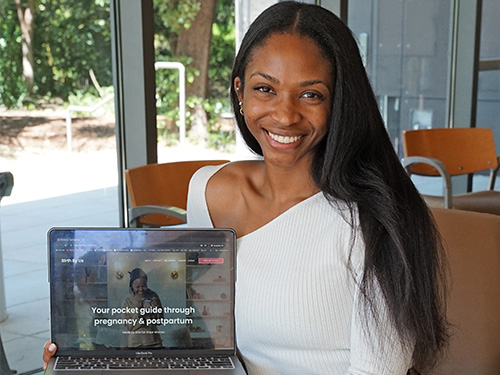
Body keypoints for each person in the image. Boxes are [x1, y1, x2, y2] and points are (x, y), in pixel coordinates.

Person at [44, 2, 449, 374]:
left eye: (311, 94)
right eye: (265, 89)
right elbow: (196, 334)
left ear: (339, 101)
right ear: (239, 92)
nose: (285, 115)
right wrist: (87, 350)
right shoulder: (209, 190)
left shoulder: (379, 218)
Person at [121, 268, 164, 348]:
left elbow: (160, 321)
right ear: (132, 285)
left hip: (155, 343)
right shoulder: (127, 301)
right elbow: (128, 327)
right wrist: (138, 314)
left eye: (144, 286)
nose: (141, 290)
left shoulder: (153, 296)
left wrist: (157, 310)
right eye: (138, 287)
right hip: (135, 344)